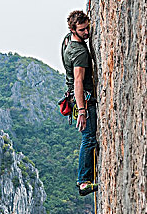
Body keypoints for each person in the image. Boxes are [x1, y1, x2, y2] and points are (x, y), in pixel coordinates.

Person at [63, 10, 98, 196]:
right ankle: (84, 181)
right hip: (84, 100)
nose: (87, 33)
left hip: (76, 98)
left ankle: (85, 178)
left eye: (87, 28)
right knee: (89, 138)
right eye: (83, 30)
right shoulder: (79, 52)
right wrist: (82, 111)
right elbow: (78, 80)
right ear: (73, 29)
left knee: (89, 138)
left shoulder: (68, 40)